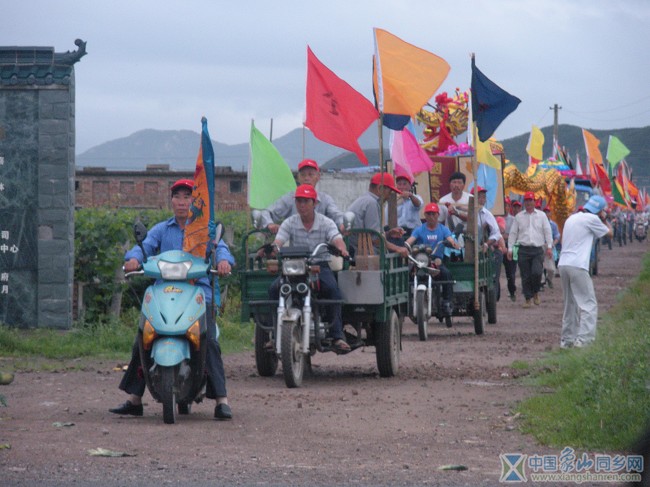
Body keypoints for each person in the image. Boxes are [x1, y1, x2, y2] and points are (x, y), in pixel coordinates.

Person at [109, 179, 235, 420]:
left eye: (187, 197)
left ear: (194, 201)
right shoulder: (161, 229)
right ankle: (135, 399)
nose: (181, 202)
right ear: (171, 201)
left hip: (198, 292)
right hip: (163, 291)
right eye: (177, 197)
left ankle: (221, 399)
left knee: (208, 340)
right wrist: (133, 258)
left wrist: (223, 261)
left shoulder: (203, 228)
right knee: (143, 337)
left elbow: (221, 248)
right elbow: (143, 247)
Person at [264, 184, 351, 351]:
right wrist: (272, 249)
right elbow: (279, 240)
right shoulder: (289, 222)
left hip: (319, 266)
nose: (302, 205)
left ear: (314, 203)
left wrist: (341, 248)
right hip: (294, 266)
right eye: (299, 201)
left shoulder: (326, 222)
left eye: (305, 201)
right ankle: (274, 335)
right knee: (274, 290)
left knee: (333, 290)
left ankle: (337, 335)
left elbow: (336, 237)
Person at [557, 195, 612, 348]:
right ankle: (584, 341)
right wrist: (605, 219)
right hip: (578, 265)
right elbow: (610, 233)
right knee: (588, 304)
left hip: (563, 264)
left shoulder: (571, 218)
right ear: (600, 211)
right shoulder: (592, 219)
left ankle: (567, 340)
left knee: (570, 304)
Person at [260, 158, 344, 233]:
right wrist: (270, 224)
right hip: (295, 248)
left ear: (318, 177)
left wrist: (342, 224)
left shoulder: (325, 199)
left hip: (321, 247)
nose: (306, 178)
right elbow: (267, 212)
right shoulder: (290, 198)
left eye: (310, 174)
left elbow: (336, 215)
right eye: (303, 175)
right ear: (298, 178)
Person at [405, 202, 461, 316]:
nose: (431, 216)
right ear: (425, 215)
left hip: (436, 260)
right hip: (421, 260)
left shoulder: (443, 229)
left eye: (434, 214)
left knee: (446, 274)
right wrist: (405, 246)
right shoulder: (419, 229)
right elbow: (409, 241)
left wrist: (453, 243)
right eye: (429, 214)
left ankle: (447, 302)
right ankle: (405, 301)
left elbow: (450, 239)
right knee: (407, 275)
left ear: (438, 215)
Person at [507, 191, 553, 309]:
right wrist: (510, 249)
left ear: (534, 201)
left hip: (537, 249)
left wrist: (549, 247)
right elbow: (513, 233)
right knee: (525, 275)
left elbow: (547, 231)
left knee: (537, 272)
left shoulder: (542, 216)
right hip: (523, 249)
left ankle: (536, 291)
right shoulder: (519, 217)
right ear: (524, 203)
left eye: (530, 200)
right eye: (526, 201)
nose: (528, 203)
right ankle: (528, 298)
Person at [346, 172, 409, 258]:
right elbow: (375, 239)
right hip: (362, 253)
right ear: (380, 188)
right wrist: (398, 248)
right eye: (389, 192)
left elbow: (371, 235)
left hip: (358, 248)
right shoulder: (371, 203)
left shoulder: (365, 199)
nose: (389, 196)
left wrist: (389, 234)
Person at [472, 186, 507, 301]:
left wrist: (487, 244)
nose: (482, 200)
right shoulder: (466, 212)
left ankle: (492, 300)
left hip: (484, 249)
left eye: (483, 197)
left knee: (492, 276)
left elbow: (496, 233)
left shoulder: (487, 214)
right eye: (479, 197)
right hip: (467, 248)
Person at [503, 198, 521, 301]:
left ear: (509, 207)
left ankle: (512, 291)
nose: (505, 207)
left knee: (511, 272)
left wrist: (504, 236)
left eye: (507, 205)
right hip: (500, 247)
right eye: (503, 205)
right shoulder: (496, 219)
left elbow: (515, 235)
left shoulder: (514, 220)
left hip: (513, 247)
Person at [542, 206, 561, 289]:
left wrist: (553, 243)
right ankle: (541, 283)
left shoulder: (553, 225)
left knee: (552, 268)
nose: (546, 214)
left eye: (548, 212)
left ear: (550, 213)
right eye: (545, 212)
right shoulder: (539, 224)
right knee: (540, 266)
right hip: (541, 246)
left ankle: (549, 279)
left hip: (550, 247)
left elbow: (557, 236)